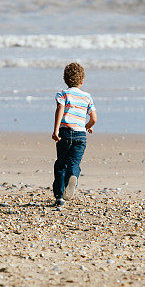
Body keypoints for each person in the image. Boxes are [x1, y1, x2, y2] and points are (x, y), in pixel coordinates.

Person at [51, 62, 97, 206]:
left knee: (61, 164)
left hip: (65, 133)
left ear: (65, 79)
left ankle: (59, 196)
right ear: (82, 81)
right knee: (74, 163)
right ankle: (73, 177)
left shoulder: (63, 93)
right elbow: (94, 118)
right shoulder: (87, 97)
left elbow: (60, 108)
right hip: (80, 134)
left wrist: (56, 130)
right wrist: (87, 126)